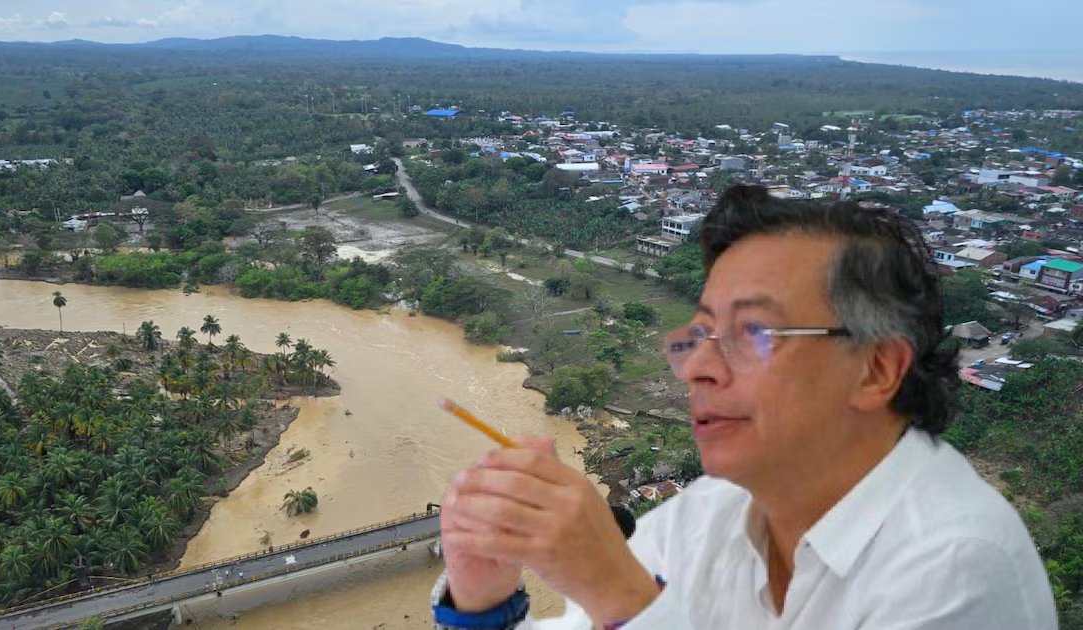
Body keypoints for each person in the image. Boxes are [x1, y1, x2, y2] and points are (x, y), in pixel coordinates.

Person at [432, 185, 1057, 629]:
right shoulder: (714, 513)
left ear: (875, 369)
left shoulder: (956, 570)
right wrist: (481, 603)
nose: (700, 366)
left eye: (753, 334)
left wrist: (616, 590)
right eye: (699, 334)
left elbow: (620, 611)